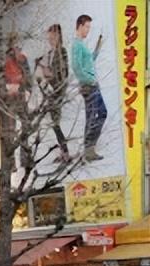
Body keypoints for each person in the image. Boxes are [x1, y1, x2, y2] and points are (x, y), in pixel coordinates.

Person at [72, 14, 105, 161]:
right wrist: (90, 80)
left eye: (89, 27)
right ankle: (88, 149)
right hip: (89, 86)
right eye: (86, 27)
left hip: (92, 85)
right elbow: (76, 67)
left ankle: (89, 149)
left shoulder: (81, 44)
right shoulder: (77, 45)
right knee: (96, 115)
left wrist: (98, 47)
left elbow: (89, 61)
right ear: (80, 26)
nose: (88, 30)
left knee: (95, 115)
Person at [37, 24, 70, 162]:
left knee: (55, 123)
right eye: (49, 38)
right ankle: (64, 152)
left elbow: (63, 74)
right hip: (51, 91)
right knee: (54, 123)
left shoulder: (61, 52)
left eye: (52, 37)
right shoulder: (52, 53)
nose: (50, 40)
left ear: (58, 36)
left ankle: (65, 153)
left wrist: (49, 75)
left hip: (57, 91)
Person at [3, 34, 33, 170]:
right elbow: (1, 79)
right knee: (11, 130)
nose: (16, 46)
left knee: (25, 126)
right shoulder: (4, 60)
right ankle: (11, 162)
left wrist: (28, 90)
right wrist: (7, 89)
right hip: (10, 98)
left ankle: (24, 158)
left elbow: (28, 75)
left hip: (21, 96)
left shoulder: (22, 58)